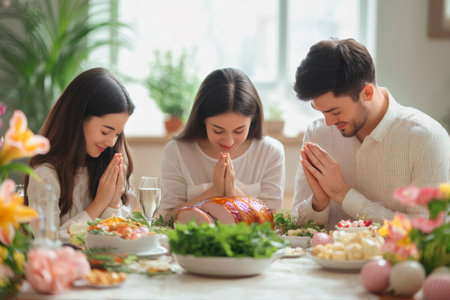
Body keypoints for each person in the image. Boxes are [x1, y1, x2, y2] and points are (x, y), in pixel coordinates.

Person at [291, 38, 450, 228]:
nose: (328, 122)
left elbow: (427, 232)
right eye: (321, 111)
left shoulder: (426, 138)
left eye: (335, 112)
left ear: (367, 93)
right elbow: (296, 229)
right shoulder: (317, 133)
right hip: (320, 258)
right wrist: (318, 203)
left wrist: (345, 195)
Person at [25, 67, 136, 241]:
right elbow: (49, 244)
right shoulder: (45, 175)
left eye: (117, 134)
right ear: (78, 118)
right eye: (105, 131)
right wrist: (99, 203)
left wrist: (113, 203)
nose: (111, 143)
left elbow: (123, 241)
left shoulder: (109, 166)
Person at [160, 68, 285, 219]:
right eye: (218, 131)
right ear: (202, 119)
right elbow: (167, 217)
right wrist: (214, 191)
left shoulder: (270, 152)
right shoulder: (177, 151)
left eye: (239, 131)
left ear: (252, 120)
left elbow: (272, 220)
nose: (228, 141)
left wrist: (233, 192)